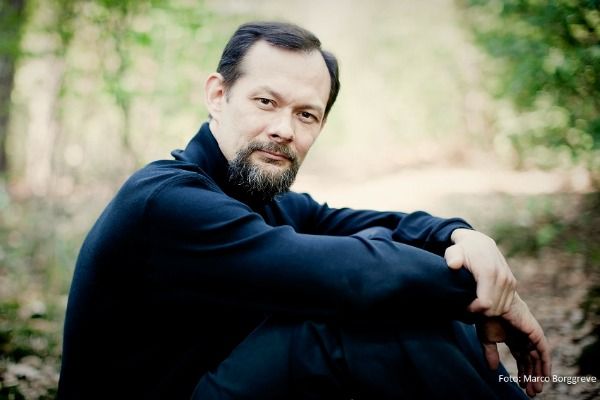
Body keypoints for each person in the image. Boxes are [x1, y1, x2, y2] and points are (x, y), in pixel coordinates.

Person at [57, 21, 551, 399]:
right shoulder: (166, 201)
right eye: (265, 102)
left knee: (398, 294)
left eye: (306, 114)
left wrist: (463, 237)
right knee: (342, 322)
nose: (284, 130)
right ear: (218, 96)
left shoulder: (266, 202)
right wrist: (487, 294)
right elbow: (355, 276)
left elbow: (382, 229)